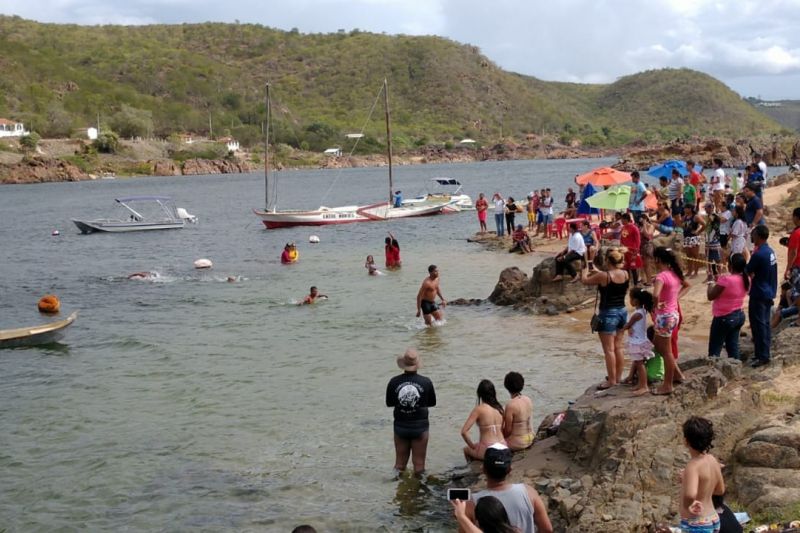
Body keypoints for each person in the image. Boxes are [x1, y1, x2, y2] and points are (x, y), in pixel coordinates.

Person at [458, 444, 553, 533]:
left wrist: (461, 517)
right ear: (510, 470)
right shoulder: (528, 492)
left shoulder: (471, 504)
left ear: (483, 469)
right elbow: (547, 529)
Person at [581, 248, 630, 389]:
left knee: (608, 350)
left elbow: (585, 281)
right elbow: (612, 280)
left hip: (608, 313)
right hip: (622, 311)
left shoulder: (604, 276)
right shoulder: (626, 273)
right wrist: (597, 272)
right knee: (618, 347)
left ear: (608, 261)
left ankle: (611, 380)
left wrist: (584, 271)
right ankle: (618, 378)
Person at [386, 348, 436, 476]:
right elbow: (432, 403)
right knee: (419, 466)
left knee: (399, 465)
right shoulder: (426, 381)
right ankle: (420, 493)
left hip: (400, 426)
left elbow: (389, 403)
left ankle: (396, 491)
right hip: (420, 427)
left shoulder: (394, 381)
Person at [652, 247, 691, 395]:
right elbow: (687, 285)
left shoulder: (661, 277)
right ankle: (677, 375)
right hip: (673, 314)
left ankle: (667, 385)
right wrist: (674, 298)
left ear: (658, 260)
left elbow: (655, 295)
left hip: (664, 316)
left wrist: (656, 304)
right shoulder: (674, 273)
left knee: (666, 351)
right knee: (659, 346)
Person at [679, 417, 725, 533]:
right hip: (713, 517)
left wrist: (689, 505)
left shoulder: (693, 466)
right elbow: (720, 490)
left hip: (697, 522)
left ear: (686, 441)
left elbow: (690, 494)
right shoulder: (712, 460)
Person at [746, 225, 778, 368]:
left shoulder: (759, 254)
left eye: (753, 234)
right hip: (768, 291)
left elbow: (747, 270)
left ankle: (762, 356)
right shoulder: (770, 251)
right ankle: (762, 353)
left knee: (759, 325)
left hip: (759, 293)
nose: (752, 237)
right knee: (764, 324)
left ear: (758, 236)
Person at [707, 254, 748, 360]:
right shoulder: (746, 278)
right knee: (733, 347)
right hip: (739, 315)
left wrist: (710, 281)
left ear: (730, 266)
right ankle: (736, 370)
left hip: (724, 317)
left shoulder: (726, 279)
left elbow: (710, 296)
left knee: (714, 350)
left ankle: (713, 372)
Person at [461, 380, 507, 461]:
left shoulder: (479, 409)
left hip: (488, 450)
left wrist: (472, 446)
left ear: (480, 394)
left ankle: (472, 469)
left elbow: (464, 432)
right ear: (493, 393)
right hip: (503, 446)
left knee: (466, 450)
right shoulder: (500, 408)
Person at [622, 288, 655, 396]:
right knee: (638, 363)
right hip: (639, 340)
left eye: (630, 298)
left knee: (640, 364)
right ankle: (641, 384)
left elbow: (628, 325)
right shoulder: (642, 311)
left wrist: (621, 329)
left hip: (637, 342)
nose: (629, 300)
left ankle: (644, 386)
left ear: (636, 300)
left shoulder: (637, 314)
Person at [502, 372, 534, 451]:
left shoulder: (510, 405)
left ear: (506, 386)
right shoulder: (528, 399)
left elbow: (508, 431)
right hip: (530, 438)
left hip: (518, 443)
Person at [682, 205, 705, 278]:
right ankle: (689, 271)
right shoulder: (685, 217)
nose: (684, 209)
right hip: (686, 237)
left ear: (690, 209)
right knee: (688, 255)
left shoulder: (696, 217)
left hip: (694, 238)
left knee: (695, 256)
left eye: (686, 208)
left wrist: (698, 232)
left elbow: (704, 224)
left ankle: (696, 272)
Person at [620, 213, 642, 286]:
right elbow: (622, 238)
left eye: (622, 220)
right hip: (625, 251)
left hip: (632, 251)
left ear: (626, 219)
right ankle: (626, 284)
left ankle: (635, 284)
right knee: (625, 268)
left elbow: (638, 241)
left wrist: (636, 252)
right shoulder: (623, 227)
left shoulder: (634, 228)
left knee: (633, 269)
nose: (621, 221)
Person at [638, 215, 655, 285]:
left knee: (647, 264)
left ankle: (649, 281)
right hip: (641, 246)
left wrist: (645, 225)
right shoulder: (640, 226)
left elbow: (647, 235)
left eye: (643, 218)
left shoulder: (650, 226)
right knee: (643, 264)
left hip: (648, 246)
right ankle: (645, 279)